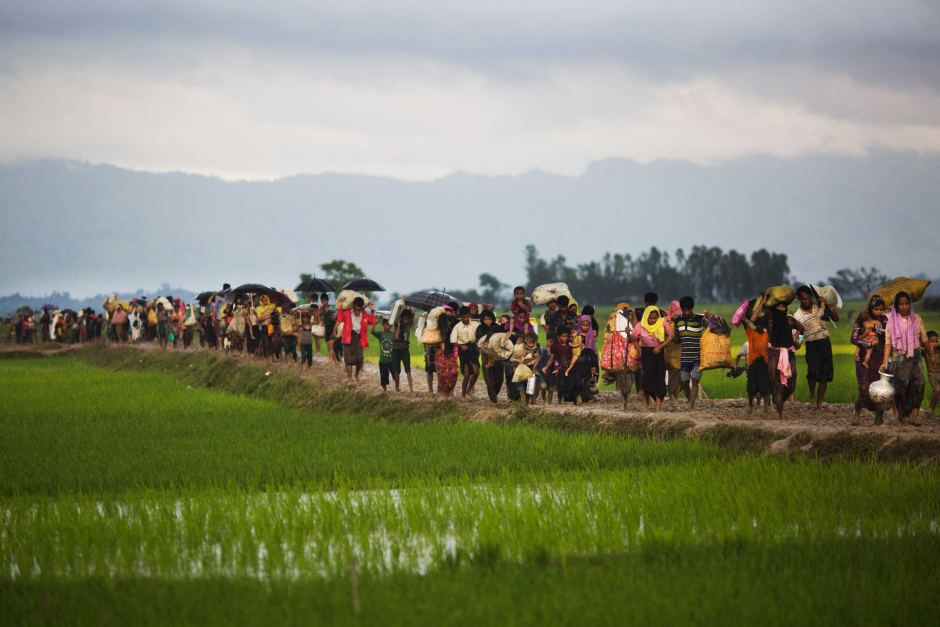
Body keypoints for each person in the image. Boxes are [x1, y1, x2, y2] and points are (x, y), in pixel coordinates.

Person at [881, 291, 928, 425]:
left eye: (907, 304)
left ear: (910, 305)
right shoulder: (891, 321)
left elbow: (924, 338)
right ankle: (898, 414)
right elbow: (888, 342)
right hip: (898, 357)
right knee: (900, 386)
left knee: (919, 384)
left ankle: (914, 416)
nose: (904, 306)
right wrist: (885, 361)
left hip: (915, 355)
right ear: (896, 306)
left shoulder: (917, 319)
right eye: (901, 304)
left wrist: (929, 347)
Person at [793, 285, 840, 409]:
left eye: (808, 298)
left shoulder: (820, 306)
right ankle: (812, 396)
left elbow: (836, 318)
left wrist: (827, 305)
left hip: (824, 342)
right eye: (803, 299)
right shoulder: (797, 316)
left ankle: (819, 403)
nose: (806, 301)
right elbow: (800, 333)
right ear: (799, 299)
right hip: (811, 344)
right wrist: (799, 342)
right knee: (812, 372)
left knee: (825, 374)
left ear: (811, 297)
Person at [851, 295, 889, 424]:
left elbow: (888, 337)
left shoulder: (884, 320)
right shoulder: (861, 319)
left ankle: (879, 417)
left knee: (879, 387)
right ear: (870, 308)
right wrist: (867, 344)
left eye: (881, 309)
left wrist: (879, 331)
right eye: (876, 309)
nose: (879, 312)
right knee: (864, 387)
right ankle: (857, 410)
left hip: (879, 357)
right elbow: (854, 338)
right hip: (863, 358)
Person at [630, 305, 674, 411]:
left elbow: (671, 335)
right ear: (646, 317)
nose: (653, 320)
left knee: (659, 377)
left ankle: (658, 405)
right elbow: (633, 337)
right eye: (651, 318)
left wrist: (660, 346)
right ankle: (648, 400)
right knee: (647, 379)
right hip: (646, 353)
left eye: (655, 318)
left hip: (659, 353)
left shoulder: (662, 323)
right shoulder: (640, 325)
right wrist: (639, 349)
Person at [672, 296, 709, 409]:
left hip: (698, 357)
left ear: (692, 308)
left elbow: (711, 328)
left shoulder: (700, 319)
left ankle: (690, 406)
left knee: (694, 381)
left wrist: (710, 318)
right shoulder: (677, 321)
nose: (686, 312)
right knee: (684, 382)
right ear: (681, 309)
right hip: (685, 357)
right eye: (684, 310)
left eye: (688, 310)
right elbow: (678, 338)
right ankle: (690, 401)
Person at [767, 303, 803, 418]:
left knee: (792, 382)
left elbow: (802, 329)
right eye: (779, 307)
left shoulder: (790, 320)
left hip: (789, 353)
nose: (781, 309)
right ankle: (778, 408)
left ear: (786, 308)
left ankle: (782, 399)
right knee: (773, 378)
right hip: (773, 353)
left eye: (783, 307)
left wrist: (796, 338)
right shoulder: (770, 321)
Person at [337, 297, 377, 386]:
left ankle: (356, 374)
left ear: (362, 307)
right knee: (348, 360)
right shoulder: (347, 313)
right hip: (348, 337)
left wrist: (373, 311)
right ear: (354, 306)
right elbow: (340, 318)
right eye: (356, 307)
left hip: (359, 339)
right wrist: (340, 307)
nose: (358, 309)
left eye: (360, 307)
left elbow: (373, 321)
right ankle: (350, 379)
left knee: (360, 359)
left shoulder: (365, 315)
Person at [450, 306, 480, 397]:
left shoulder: (476, 324)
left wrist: (477, 343)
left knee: (476, 371)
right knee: (466, 374)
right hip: (463, 349)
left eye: (467, 317)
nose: (466, 319)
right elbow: (453, 341)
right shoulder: (457, 327)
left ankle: (469, 389)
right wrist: (461, 346)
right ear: (460, 316)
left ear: (469, 315)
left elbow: (479, 335)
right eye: (464, 317)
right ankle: (463, 394)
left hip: (473, 348)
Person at [476, 309, 505, 403]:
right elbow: (478, 341)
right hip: (486, 355)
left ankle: (494, 395)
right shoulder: (480, 328)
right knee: (489, 378)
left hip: (497, 355)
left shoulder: (498, 327)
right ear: (482, 320)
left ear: (492, 319)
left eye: (489, 319)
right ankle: (493, 399)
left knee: (500, 378)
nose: (488, 321)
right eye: (485, 319)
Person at [434, 304, 460, 397]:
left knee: (454, 372)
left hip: (451, 350)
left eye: (450, 310)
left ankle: (449, 392)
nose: (448, 312)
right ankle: (441, 393)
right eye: (446, 310)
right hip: (441, 349)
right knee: (442, 373)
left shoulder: (455, 322)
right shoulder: (438, 321)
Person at [373, 318, 399, 392]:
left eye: (389, 325)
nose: (387, 326)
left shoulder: (392, 334)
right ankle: (385, 390)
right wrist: (375, 322)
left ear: (391, 326)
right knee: (383, 377)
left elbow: (397, 337)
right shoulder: (380, 334)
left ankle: (397, 388)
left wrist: (398, 326)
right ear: (383, 325)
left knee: (395, 375)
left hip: (391, 360)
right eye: (385, 324)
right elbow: (372, 331)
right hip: (383, 360)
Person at [393, 308, 415, 393]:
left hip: (405, 349)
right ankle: (397, 387)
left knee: (408, 369)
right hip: (396, 349)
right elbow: (396, 337)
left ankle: (411, 388)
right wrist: (399, 326)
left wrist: (410, 307)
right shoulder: (396, 324)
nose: (406, 320)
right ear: (401, 317)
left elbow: (412, 314)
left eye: (408, 318)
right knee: (396, 370)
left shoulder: (409, 324)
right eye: (405, 318)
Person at [551, 327, 574, 404]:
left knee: (569, 382)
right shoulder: (555, 345)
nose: (565, 338)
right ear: (558, 336)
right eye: (563, 336)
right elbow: (552, 357)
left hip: (569, 366)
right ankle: (559, 400)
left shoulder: (570, 344)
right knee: (560, 383)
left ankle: (568, 398)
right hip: (559, 366)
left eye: (566, 336)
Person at [925, 330, 939, 415]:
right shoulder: (925, 351)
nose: (934, 344)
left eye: (936, 341)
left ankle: (932, 410)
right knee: (937, 390)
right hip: (932, 374)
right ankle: (930, 408)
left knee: (937, 392)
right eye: (932, 342)